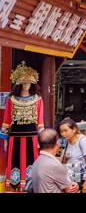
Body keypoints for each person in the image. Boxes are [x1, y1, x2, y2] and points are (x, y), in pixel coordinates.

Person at [0, 62, 44, 192]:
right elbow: (6, 121)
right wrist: (5, 140)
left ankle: (30, 186)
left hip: (32, 137)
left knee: (32, 161)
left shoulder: (38, 99)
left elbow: (40, 122)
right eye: (23, 83)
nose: (26, 85)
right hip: (15, 137)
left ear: (32, 84)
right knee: (14, 160)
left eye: (28, 83)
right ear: (18, 84)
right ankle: (14, 186)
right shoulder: (11, 99)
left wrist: (40, 140)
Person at [31, 129, 79, 193]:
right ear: (57, 142)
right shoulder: (54, 165)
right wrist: (76, 186)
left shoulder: (37, 161)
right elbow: (69, 189)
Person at [58, 118, 86, 193]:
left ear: (74, 129)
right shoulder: (67, 141)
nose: (63, 134)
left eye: (65, 131)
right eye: (61, 131)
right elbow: (65, 160)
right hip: (75, 175)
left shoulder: (83, 140)